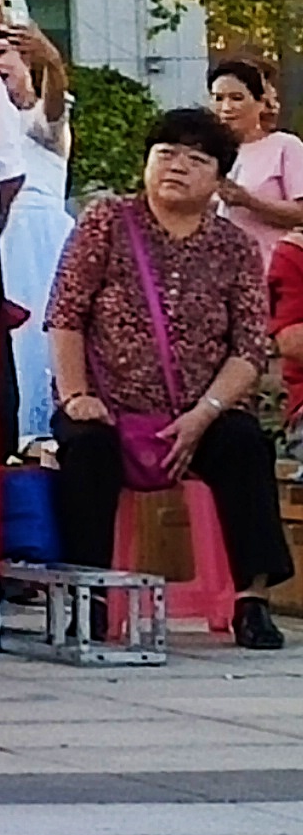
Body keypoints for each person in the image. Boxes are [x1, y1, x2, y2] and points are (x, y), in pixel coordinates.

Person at [44, 108, 292, 649]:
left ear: (220, 178)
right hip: (109, 405)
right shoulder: (107, 222)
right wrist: (76, 394)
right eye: (166, 154)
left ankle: (252, 601)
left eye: (196, 159)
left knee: (246, 444)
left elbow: (249, 347)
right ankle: (91, 597)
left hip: (200, 412)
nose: (177, 166)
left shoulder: (234, 247)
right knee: (85, 448)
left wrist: (202, 416)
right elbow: (65, 314)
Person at [0, 26, 78, 444]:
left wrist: (53, 63)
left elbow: (54, 108)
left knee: (44, 332)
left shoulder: (41, 120)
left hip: (42, 239)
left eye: (2, 53)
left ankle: (47, 425)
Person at [207, 58, 303, 243]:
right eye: (218, 98)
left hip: (272, 258)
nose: (226, 107)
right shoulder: (207, 152)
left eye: (236, 98)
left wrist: (249, 201)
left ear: (260, 103)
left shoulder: (285, 146)